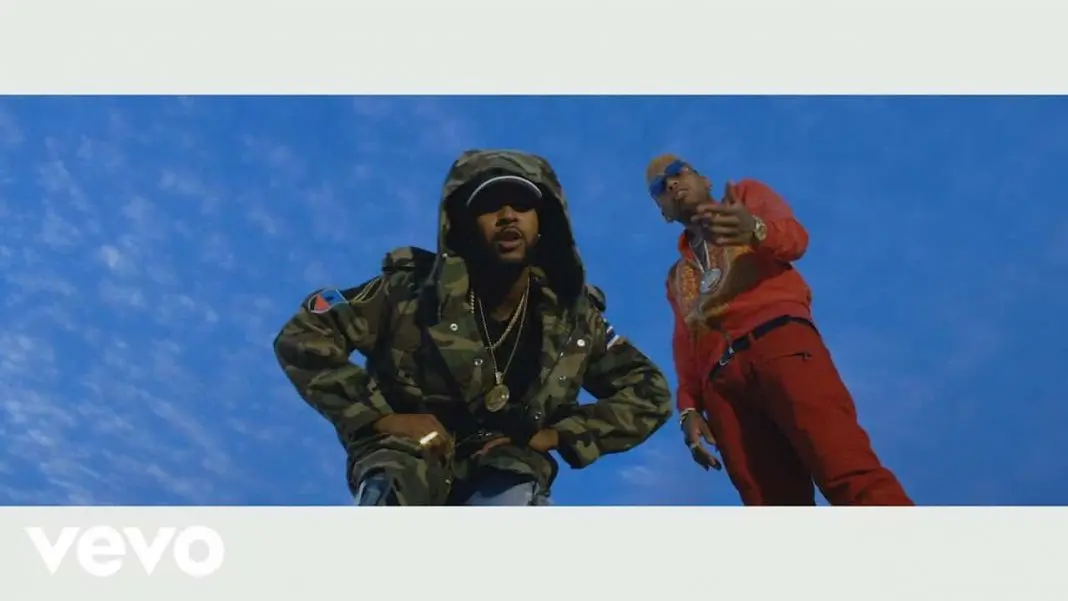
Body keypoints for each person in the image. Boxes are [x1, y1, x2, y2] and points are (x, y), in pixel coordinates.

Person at [273, 149, 673, 506]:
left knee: (513, 495)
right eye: (489, 206)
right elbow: (305, 334)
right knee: (392, 486)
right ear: (464, 224)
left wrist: (558, 435)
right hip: (406, 458)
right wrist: (381, 419)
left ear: (543, 221)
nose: (507, 216)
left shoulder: (575, 319)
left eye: (522, 204)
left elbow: (649, 393)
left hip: (506, 471)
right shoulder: (409, 291)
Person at [646, 153, 913, 506]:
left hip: (778, 342)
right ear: (664, 213)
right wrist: (689, 408)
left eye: (677, 172)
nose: (671, 183)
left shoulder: (745, 197)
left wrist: (756, 230)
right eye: (659, 187)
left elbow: (795, 239)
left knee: (845, 468)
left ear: (705, 179)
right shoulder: (677, 276)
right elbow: (685, 345)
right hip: (722, 388)